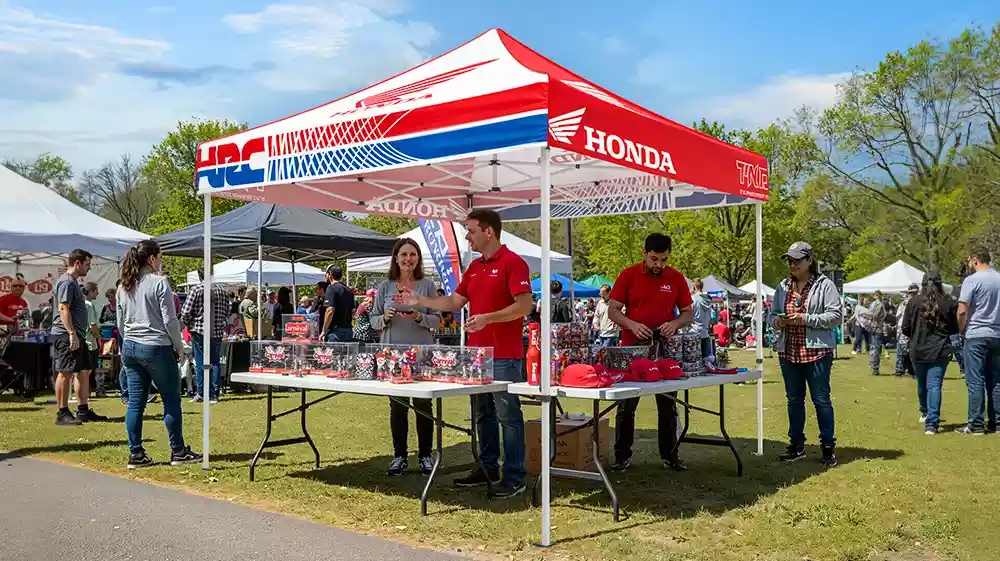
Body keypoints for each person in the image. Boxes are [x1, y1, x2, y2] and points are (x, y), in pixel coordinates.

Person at [394, 208, 532, 498]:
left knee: (508, 415)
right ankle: (488, 467)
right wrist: (420, 299)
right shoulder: (475, 267)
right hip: (475, 355)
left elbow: (524, 306)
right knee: (482, 413)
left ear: (488, 231)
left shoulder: (513, 263)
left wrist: (487, 318)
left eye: (470, 230)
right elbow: (455, 302)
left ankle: (515, 476)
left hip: (504, 354)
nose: (467, 236)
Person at [606, 233, 693, 472]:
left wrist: (674, 324)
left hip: (665, 348)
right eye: (654, 259)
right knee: (626, 405)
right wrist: (632, 324)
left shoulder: (675, 278)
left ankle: (670, 455)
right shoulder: (628, 274)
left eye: (664, 260)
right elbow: (613, 311)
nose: (659, 265)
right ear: (644, 252)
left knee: (668, 404)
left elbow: (688, 313)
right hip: (631, 350)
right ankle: (622, 456)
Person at [117, 240, 201, 468]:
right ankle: (178, 451)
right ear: (152, 258)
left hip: (131, 346)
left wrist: (126, 345)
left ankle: (136, 453)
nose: (162, 261)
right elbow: (170, 320)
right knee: (171, 399)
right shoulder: (159, 283)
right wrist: (179, 347)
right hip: (156, 345)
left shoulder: (124, 286)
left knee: (136, 403)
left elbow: (121, 322)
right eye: (160, 257)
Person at [768, 242, 842, 467]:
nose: (792, 264)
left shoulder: (825, 285)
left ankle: (828, 447)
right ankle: (796, 445)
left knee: (821, 400)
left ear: (810, 260)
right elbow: (771, 316)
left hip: (817, 351)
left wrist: (806, 318)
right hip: (789, 351)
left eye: (797, 260)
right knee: (793, 400)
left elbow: (836, 316)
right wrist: (779, 321)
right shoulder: (782, 286)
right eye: (790, 261)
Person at [370, 238, 440, 476]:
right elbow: (373, 319)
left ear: (418, 258)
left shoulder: (428, 286)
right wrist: (385, 318)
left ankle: (425, 456)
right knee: (398, 406)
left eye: (413, 254)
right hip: (392, 354)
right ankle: (399, 456)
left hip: (421, 353)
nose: (408, 259)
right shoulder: (384, 287)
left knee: (423, 405)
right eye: (404, 254)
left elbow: (437, 320)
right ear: (396, 258)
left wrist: (419, 317)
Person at [50, 249, 106, 425]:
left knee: (84, 371)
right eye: (87, 264)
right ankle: (62, 413)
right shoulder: (66, 282)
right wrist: (72, 333)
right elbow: (63, 308)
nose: (89, 268)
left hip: (79, 334)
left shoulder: (73, 282)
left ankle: (83, 410)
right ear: (77, 263)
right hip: (66, 334)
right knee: (65, 372)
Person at [901, 271, 958, 435]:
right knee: (934, 386)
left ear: (923, 284)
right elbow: (954, 328)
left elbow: (905, 328)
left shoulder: (914, 302)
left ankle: (925, 412)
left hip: (918, 349)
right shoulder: (948, 302)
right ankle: (932, 424)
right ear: (940, 283)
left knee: (921, 384)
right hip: (940, 350)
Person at [956, 248, 1000, 435]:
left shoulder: (971, 280)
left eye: (968, 261)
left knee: (975, 381)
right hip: (997, 334)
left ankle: (975, 424)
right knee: (996, 381)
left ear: (975, 260)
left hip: (976, 334)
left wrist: (961, 330)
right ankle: (996, 423)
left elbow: (962, 310)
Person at [180, 269, 231, 404]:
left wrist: (189, 323)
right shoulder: (222, 291)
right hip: (217, 331)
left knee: (201, 362)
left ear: (199, 276)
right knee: (214, 362)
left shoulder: (196, 290)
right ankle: (214, 393)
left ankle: (202, 392)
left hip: (199, 330)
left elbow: (185, 312)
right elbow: (227, 312)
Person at [320, 265, 355, 343]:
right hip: (348, 330)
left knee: (334, 354)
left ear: (330, 274)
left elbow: (330, 310)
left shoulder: (331, 289)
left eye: (325, 274)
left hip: (335, 332)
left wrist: (324, 330)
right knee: (346, 355)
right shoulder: (348, 290)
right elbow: (353, 311)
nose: (325, 276)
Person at [83, 282, 104, 396]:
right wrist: (98, 338)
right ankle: (89, 391)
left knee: (84, 369)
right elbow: (93, 325)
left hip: (83, 340)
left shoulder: (81, 303)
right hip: (90, 341)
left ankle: (86, 391)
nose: (97, 293)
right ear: (90, 292)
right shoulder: (89, 305)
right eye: (96, 290)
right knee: (91, 369)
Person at [895, 284, 919, 377]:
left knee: (902, 349)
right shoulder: (918, 302)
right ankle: (911, 370)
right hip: (911, 329)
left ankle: (900, 369)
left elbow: (898, 316)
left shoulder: (904, 303)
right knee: (909, 350)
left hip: (905, 329)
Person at [689, 279, 715, 362]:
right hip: (705, 332)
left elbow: (687, 317)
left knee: (694, 360)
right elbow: (713, 318)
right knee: (707, 361)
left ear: (693, 287)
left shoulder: (692, 299)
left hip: (694, 333)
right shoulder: (708, 299)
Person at [868, 291, 886, 376]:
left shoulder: (872, 304)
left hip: (873, 327)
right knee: (877, 349)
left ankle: (873, 366)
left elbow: (870, 315)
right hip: (877, 328)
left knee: (873, 347)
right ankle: (875, 368)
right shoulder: (879, 305)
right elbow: (875, 315)